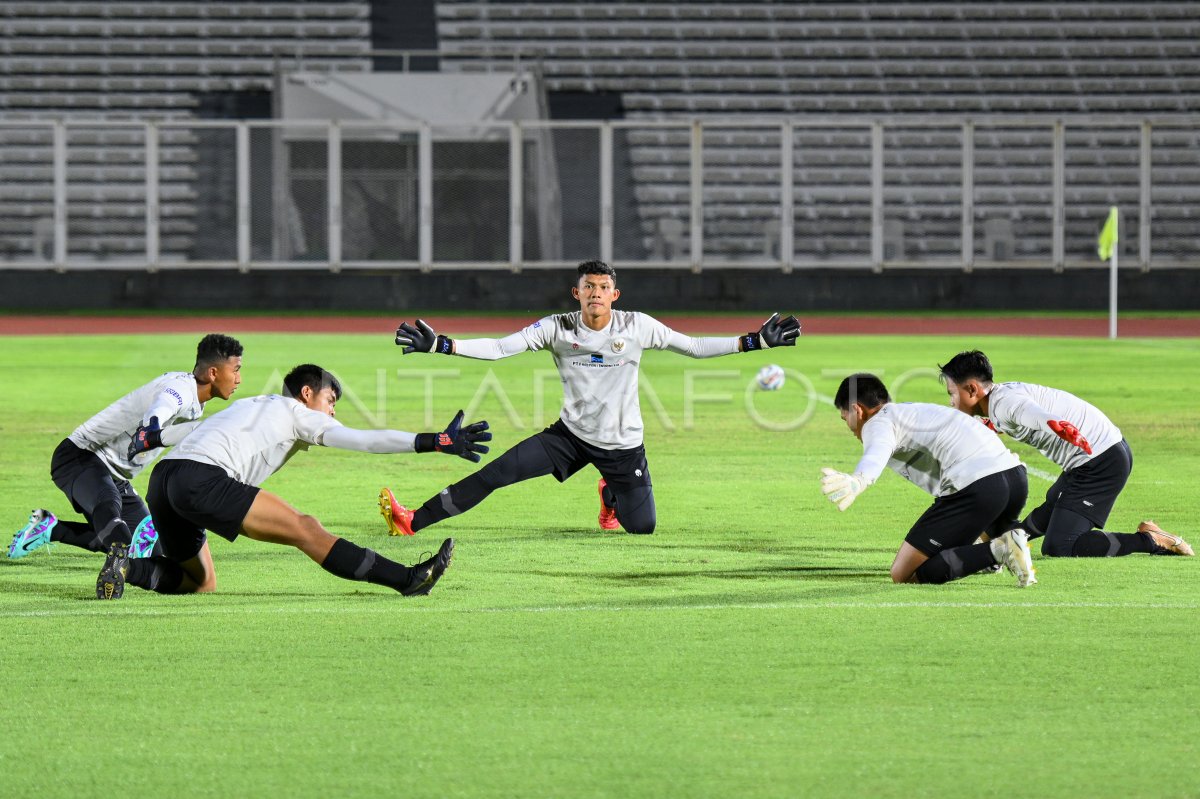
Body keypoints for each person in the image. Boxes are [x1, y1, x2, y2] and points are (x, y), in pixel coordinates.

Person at [379, 259, 800, 537]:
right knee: (496, 474)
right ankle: (413, 519)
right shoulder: (557, 327)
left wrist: (754, 342)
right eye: (588, 286)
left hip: (622, 447)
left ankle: (610, 496)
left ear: (615, 295)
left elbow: (693, 346)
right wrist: (442, 346)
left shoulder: (637, 326)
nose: (596, 292)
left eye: (603, 287)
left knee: (643, 528)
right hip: (570, 436)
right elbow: (501, 347)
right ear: (576, 293)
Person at [93, 364, 490, 600]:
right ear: (307, 393)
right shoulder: (299, 414)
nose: (332, 413)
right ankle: (408, 580)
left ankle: (127, 568)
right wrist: (432, 442)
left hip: (164, 480)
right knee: (307, 529)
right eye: (330, 401)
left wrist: (153, 438)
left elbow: (192, 429)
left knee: (201, 582)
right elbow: (364, 440)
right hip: (201, 479)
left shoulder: (251, 404)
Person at [8, 333, 244, 566]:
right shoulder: (180, 388)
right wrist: (151, 427)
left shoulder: (197, 405)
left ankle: (52, 529)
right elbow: (163, 406)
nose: (239, 379)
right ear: (213, 373)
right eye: (235, 370)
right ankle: (113, 573)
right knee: (113, 521)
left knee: (148, 549)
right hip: (81, 455)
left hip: (116, 477)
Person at [938, 350, 1192, 558]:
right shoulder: (999, 399)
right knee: (1032, 525)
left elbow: (1031, 413)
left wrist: (1054, 423)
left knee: (1060, 546)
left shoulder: (1005, 403)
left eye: (952, 393)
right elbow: (1016, 417)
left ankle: (1151, 540)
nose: (951, 401)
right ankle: (996, 545)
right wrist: (989, 426)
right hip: (1093, 458)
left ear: (972, 390)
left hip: (1101, 462)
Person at [820, 373, 1037, 587]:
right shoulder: (911, 410)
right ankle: (993, 553)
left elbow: (876, 452)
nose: (848, 427)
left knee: (903, 573)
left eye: (844, 417)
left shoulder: (877, 422)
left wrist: (859, 480)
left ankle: (1000, 550)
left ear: (857, 410)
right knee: (976, 540)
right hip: (1015, 477)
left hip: (980, 486)